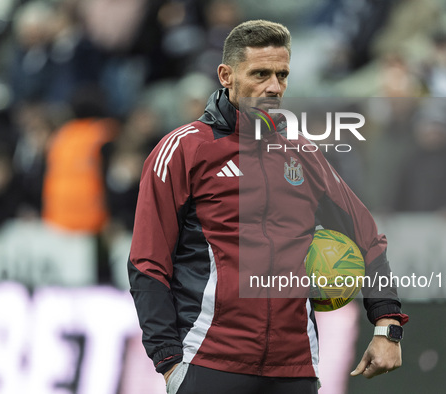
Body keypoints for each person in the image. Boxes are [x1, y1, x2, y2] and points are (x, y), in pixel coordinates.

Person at [129, 20, 408, 394]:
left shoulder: (302, 152)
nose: (274, 87)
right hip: (211, 362)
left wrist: (387, 324)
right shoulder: (183, 150)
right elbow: (148, 264)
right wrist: (168, 362)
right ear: (226, 75)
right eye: (260, 74)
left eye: (282, 75)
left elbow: (367, 236)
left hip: (294, 368)